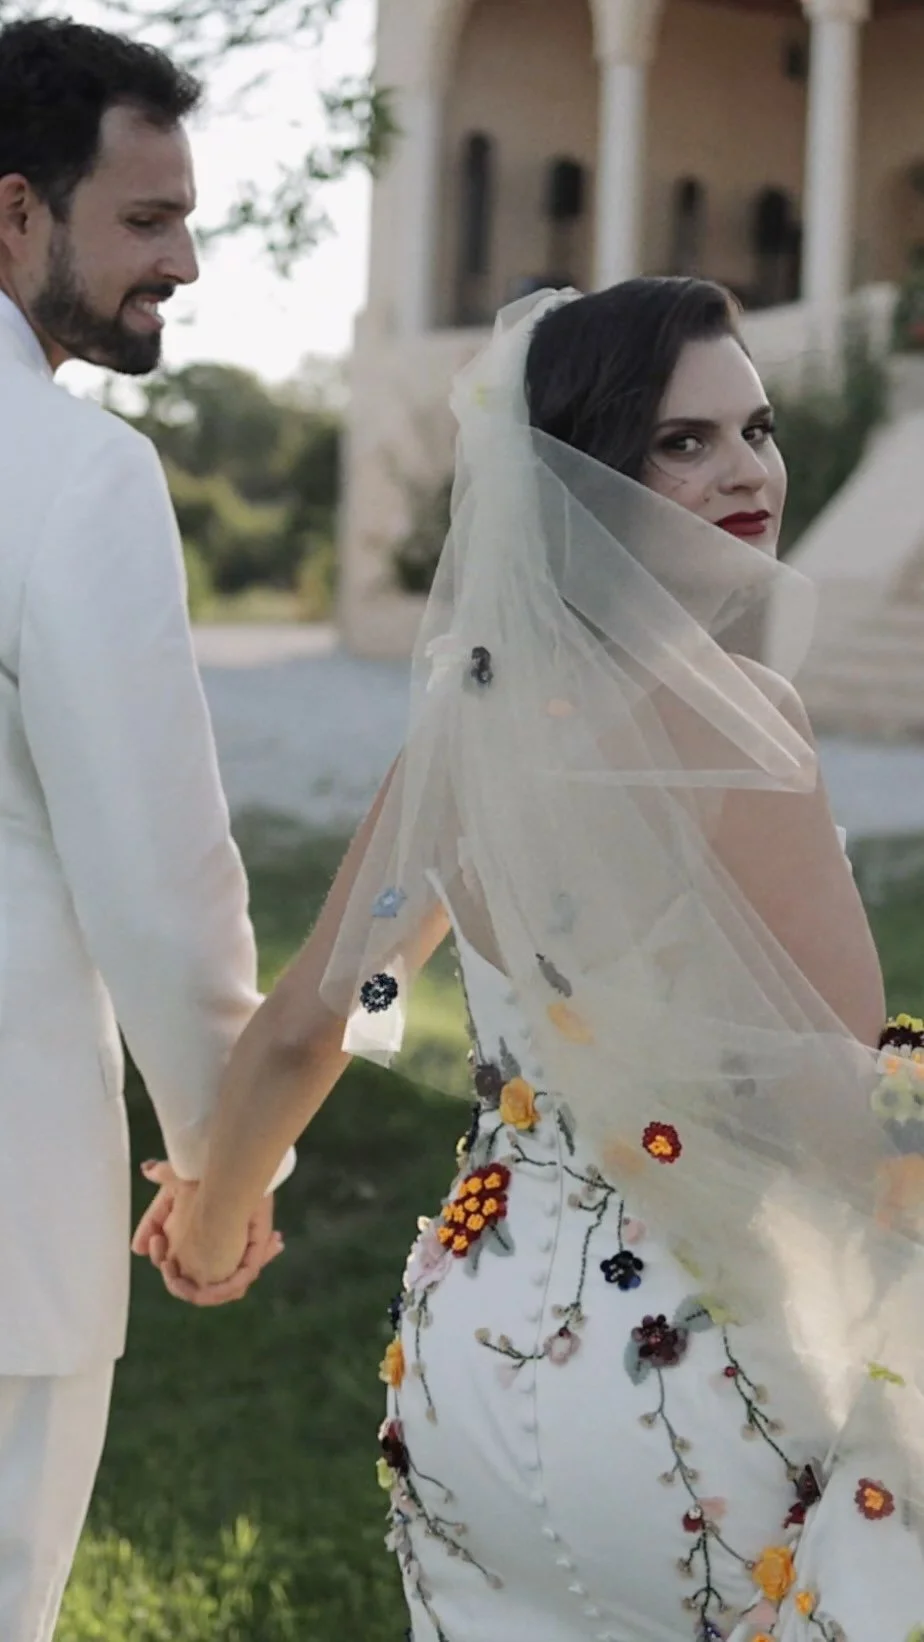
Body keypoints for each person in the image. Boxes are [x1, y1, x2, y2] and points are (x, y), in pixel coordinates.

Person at [151, 281, 924, 1642]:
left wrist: (215, 1220)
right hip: (700, 1379)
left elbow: (335, 1012)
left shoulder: (471, 723)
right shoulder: (746, 726)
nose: (748, 470)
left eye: (756, 428)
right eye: (683, 442)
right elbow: (845, 1117)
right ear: (582, 477)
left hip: (471, 1351)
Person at [0, 18, 293, 1640]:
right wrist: (228, 1160)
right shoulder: (71, 479)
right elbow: (162, 889)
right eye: (145, 218)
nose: (182, 261)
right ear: (15, 211)